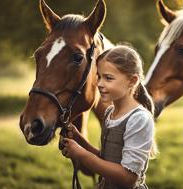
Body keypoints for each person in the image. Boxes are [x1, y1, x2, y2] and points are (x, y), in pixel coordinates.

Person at [61, 45, 158, 189]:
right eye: (99, 76)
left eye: (108, 78)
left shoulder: (139, 119)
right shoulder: (109, 113)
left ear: (132, 81)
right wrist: (78, 138)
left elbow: (128, 178)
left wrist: (81, 154)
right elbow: (107, 160)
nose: (99, 84)